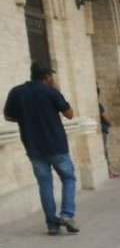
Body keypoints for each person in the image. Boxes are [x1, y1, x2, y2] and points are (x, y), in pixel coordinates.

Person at [3, 61, 79, 235]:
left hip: (33, 146)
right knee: (68, 178)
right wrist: (58, 91)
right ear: (48, 76)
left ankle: (52, 225)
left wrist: (27, 118)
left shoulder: (16, 92)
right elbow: (69, 114)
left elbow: (8, 116)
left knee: (45, 184)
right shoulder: (51, 91)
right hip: (57, 145)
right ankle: (67, 215)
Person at [97, 86, 119, 178]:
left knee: (104, 150)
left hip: (101, 130)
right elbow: (105, 117)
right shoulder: (99, 105)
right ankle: (109, 170)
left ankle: (109, 169)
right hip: (102, 130)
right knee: (104, 151)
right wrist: (110, 123)